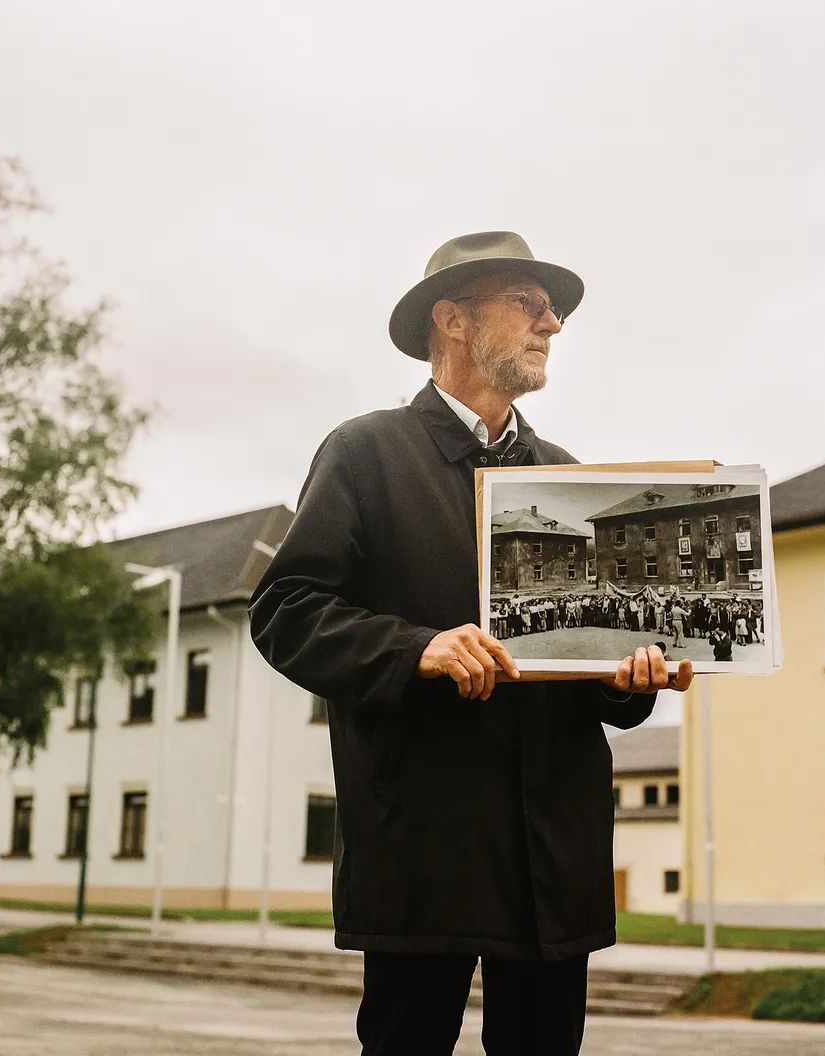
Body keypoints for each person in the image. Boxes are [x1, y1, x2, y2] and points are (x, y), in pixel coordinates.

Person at [249, 231, 693, 1056]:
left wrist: (629, 679)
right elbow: (286, 611)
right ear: (452, 319)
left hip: (550, 854)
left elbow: (581, 656)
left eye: (551, 309)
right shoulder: (364, 453)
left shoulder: (567, 476)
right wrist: (414, 648)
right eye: (529, 303)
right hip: (424, 844)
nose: (552, 324)